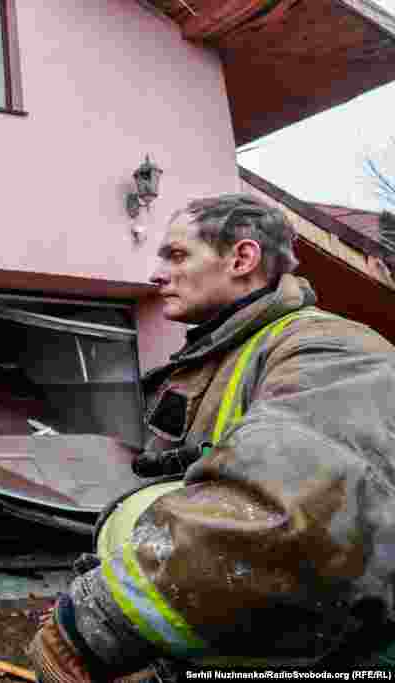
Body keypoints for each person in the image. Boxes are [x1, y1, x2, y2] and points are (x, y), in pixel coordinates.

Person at [28, 194, 395, 681]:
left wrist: (98, 621)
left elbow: (286, 508)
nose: (157, 274)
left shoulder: (330, 350)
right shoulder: (220, 356)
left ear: (242, 259)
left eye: (177, 255)